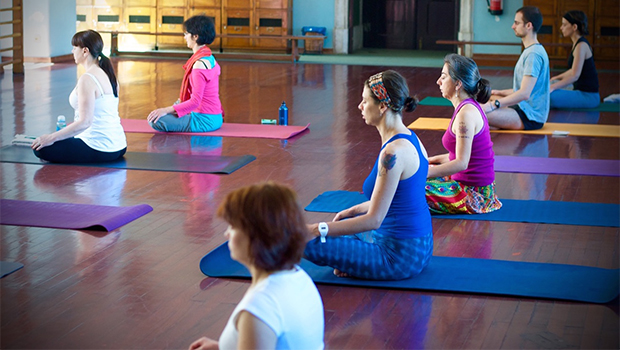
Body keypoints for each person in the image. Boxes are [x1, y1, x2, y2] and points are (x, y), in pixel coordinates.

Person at [305, 70, 433, 280]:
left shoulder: (392, 153)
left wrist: (316, 229)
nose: (360, 106)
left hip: (397, 257)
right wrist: (352, 210)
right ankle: (351, 260)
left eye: (365, 101)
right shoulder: (412, 139)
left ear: (382, 106)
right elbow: (396, 200)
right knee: (344, 229)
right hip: (421, 248)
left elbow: (374, 220)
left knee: (301, 240)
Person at [189, 182, 324, 350]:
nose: (227, 233)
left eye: (233, 226)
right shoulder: (297, 276)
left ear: (255, 235)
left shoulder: (259, 310)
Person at [31, 30, 126, 163]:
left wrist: (51, 138)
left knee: (40, 148)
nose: (72, 51)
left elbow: (85, 122)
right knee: (53, 141)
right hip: (119, 146)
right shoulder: (109, 76)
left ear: (85, 51)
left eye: (75, 47)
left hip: (98, 147)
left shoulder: (87, 79)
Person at [426, 54, 502, 214]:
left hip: (474, 194)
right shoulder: (466, 108)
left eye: (443, 77)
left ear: (458, 84)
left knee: (407, 189)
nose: (438, 81)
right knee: (407, 178)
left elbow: (461, 163)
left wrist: (424, 172)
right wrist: (432, 161)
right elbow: (459, 155)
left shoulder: (465, 115)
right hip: (464, 184)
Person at [147, 15, 223, 133]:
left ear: (195, 37)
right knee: (164, 114)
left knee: (155, 120)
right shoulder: (210, 57)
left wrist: (165, 110)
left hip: (204, 120)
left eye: (187, 34)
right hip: (215, 117)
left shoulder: (199, 64)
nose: (185, 37)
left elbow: (195, 101)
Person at [481, 6, 550, 130]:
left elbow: (524, 94)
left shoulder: (533, 54)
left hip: (529, 117)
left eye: (517, 23)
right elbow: (524, 89)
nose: (513, 26)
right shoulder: (531, 50)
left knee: (474, 113)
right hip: (522, 108)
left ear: (529, 25)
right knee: (482, 101)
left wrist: (494, 105)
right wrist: (499, 93)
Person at [549, 10, 600, 109]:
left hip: (588, 97)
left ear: (574, 27)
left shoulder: (581, 46)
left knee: (546, 96)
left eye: (564, 25)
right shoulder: (577, 44)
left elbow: (574, 76)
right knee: (547, 88)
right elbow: (573, 70)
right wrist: (555, 79)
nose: (561, 28)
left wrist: (552, 87)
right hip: (580, 92)